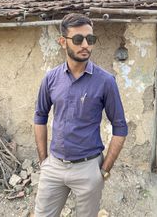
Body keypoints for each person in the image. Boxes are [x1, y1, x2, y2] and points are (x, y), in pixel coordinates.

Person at [34, 13, 128, 217]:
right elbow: (40, 116)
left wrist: (104, 170)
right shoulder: (50, 79)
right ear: (62, 42)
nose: (85, 44)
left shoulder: (106, 81)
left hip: (88, 169)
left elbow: (120, 127)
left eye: (90, 39)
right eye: (78, 39)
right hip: (54, 167)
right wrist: (44, 161)